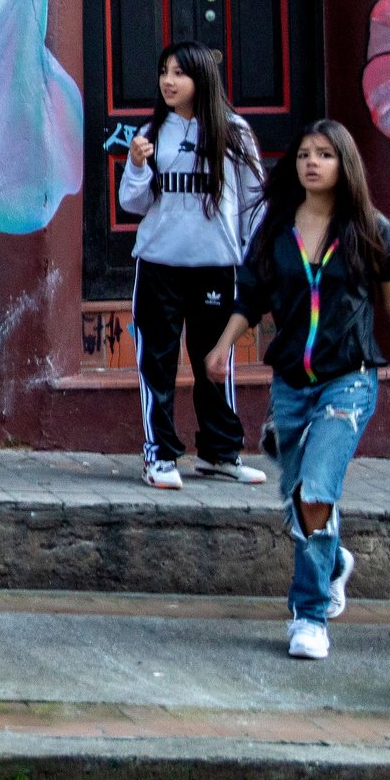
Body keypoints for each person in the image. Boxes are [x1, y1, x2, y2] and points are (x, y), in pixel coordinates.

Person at [206, 121, 390, 661]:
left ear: (344, 164)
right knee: (296, 501)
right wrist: (221, 348)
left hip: (348, 380)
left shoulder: (369, 229)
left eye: (326, 154)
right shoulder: (276, 228)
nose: (312, 162)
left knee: (314, 493)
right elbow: (251, 298)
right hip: (291, 383)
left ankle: (308, 616)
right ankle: (333, 564)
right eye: (306, 153)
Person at [117, 42, 266, 489]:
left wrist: (251, 261)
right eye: (164, 72)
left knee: (216, 364)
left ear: (201, 78)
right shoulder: (150, 133)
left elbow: (254, 203)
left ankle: (220, 454)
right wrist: (136, 165)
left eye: (179, 73)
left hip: (216, 267)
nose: (168, 81)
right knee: (157, 364)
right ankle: (159, 456)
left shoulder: (234, 133)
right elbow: (132, 202)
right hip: (159, 266)